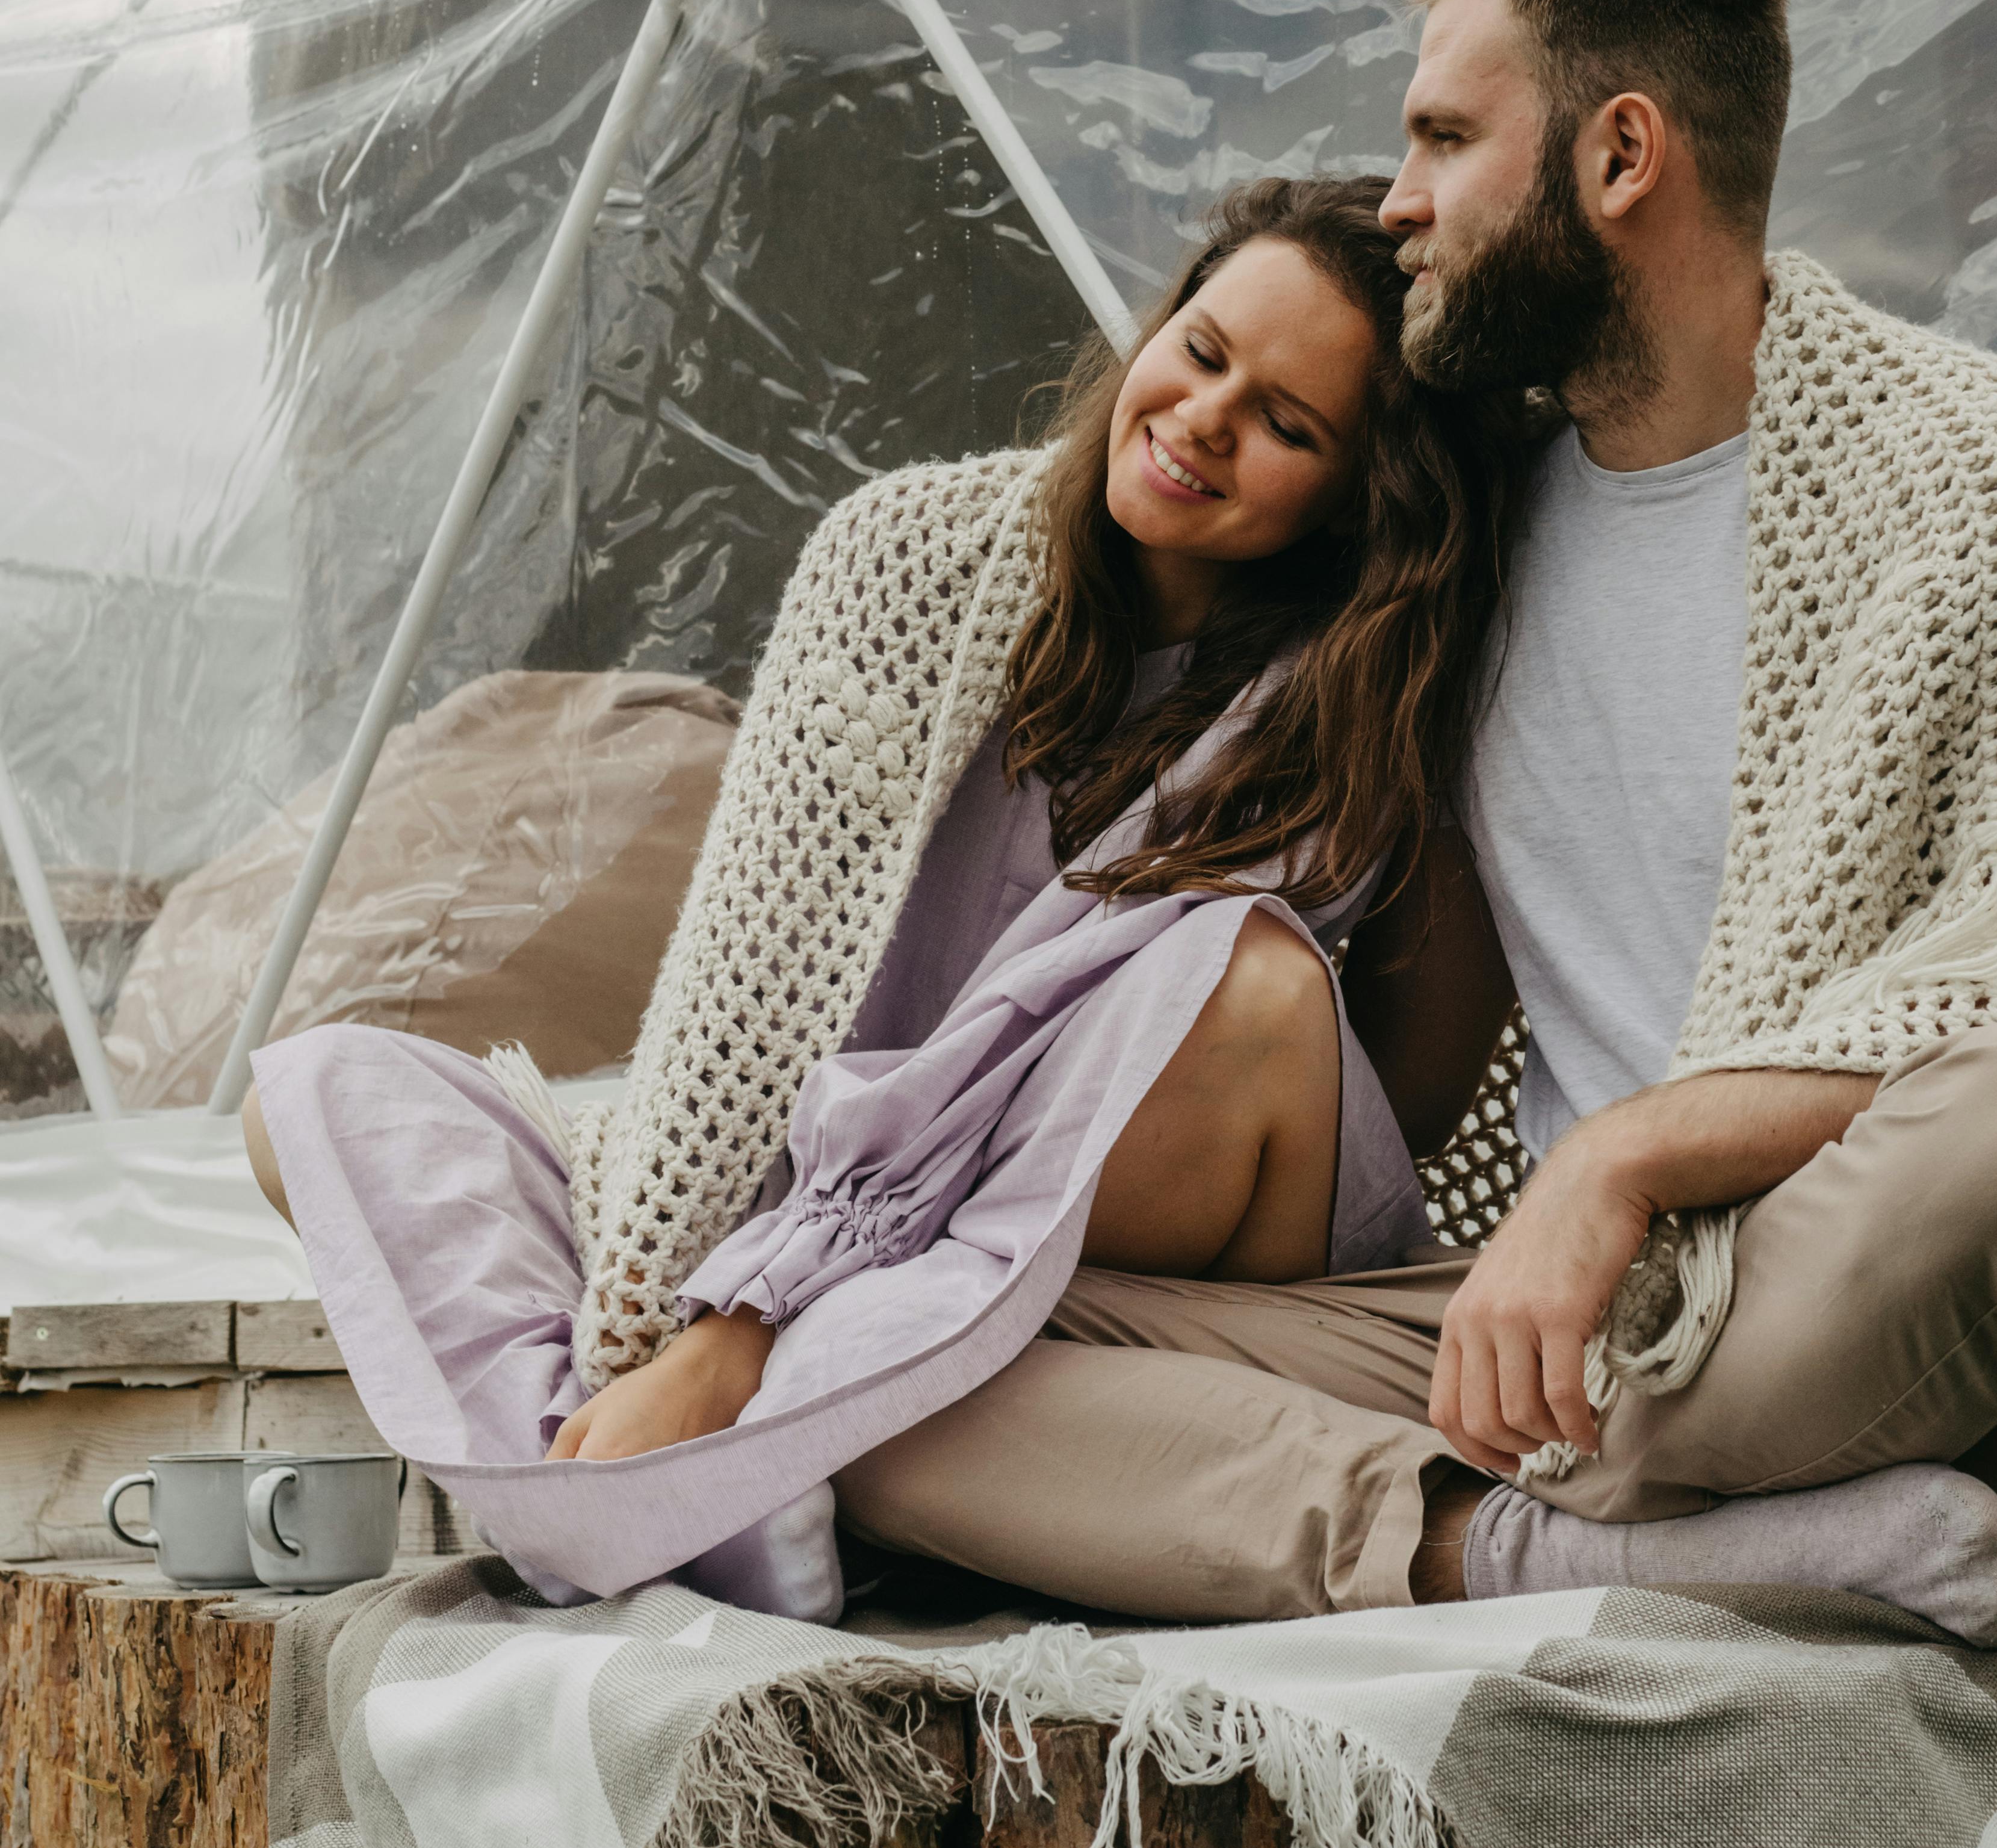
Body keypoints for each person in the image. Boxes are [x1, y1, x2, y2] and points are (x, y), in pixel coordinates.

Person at [808, 0, 1997, 1649]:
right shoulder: (1465, 534)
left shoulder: (1980, 475)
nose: (1400, 203)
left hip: (1845, 1303)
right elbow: (1153, 553)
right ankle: (1563, 1562)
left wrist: (1621, 1163)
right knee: (880, 1371)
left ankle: (1580, 1516)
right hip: (1550, 1347)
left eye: (1441, 140)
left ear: (1620, 157)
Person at [244, 176, 1530, 1620]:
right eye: (1203, 347)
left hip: (1125, 1236)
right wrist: (693, 1310)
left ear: (1362, 493)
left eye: (1288, 426)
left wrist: (746, 1329)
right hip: (832, 1208)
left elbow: (1405, 1107)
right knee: (327, 1096)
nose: (1203, 418)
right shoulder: (911, 560)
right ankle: (769, 1454)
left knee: (1242, 981)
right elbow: (744, 992)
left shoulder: (1368, 690)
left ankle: (735, 1467)